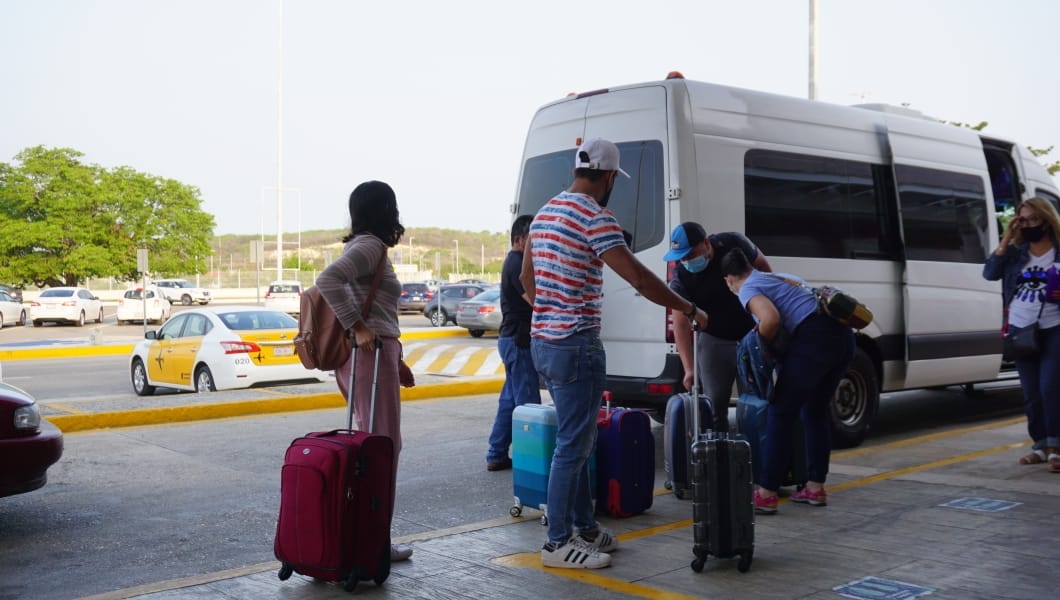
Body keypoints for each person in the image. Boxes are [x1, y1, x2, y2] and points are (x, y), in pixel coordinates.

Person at [520, 138, 708, 569]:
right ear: (608, 177)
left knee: (580, 440)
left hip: (544, 342)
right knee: (572, 445)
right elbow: (641, 279)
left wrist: (551, 309)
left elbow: (527, 281)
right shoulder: (595, 217)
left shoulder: (545, 212)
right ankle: (556, 543)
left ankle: (584, 528)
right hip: (576, 344)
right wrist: (689, 308)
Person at [316, 180, 417, 562]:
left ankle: (365, 534)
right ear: (386, 210)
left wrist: (394, 357)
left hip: (375, 357)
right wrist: (357, 327)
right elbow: (327, 281)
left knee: (372, 446)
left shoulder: (364, 246)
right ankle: (373, 541)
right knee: (382, 449)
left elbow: (374, 309)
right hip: (368, 359)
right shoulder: (371, 246)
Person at [720, 248, 854, 514]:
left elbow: (770, 319)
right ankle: (815, 488)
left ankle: (767, 492)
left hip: (814, 339)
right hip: (843, 338)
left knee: (780, 412)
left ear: (729, 280)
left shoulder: (747, 288)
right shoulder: (779, 277)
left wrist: (757, 346)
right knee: (814, 412)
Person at [664, 222, 772, 431]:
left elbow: (763, 267)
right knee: (714, 406)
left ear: (706, 243)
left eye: (690, 254)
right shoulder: (682, 275)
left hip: (751, 334)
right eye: (682, 257)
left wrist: (767, 318)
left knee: (756, 404)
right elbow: (680, 322)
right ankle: (718, 457)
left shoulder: (733, 243)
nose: (686, 261)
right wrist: (688, 369)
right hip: (715, 338)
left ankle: (756, 453)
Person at [983, 196, 1060, 472]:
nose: (1027, 225)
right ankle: (1040, 446)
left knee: (1050, 388)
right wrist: (1006, 240)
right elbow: (990, 273)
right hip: (1020, 329)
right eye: (1022, 220)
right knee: (1030, 394)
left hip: (1053, 329)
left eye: (1033, 219)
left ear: (1047, 220)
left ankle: (1056, 448)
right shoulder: (1016, 252)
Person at [485, 214, 541, 471]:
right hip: (519, 342)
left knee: (510, 401)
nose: (537, 244)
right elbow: (535, 301)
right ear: (519, 240)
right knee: (528, 405)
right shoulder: (518, 263)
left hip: (510, 340)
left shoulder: (515, 260)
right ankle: (531, 462)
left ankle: (496, 453)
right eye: (533, 239)